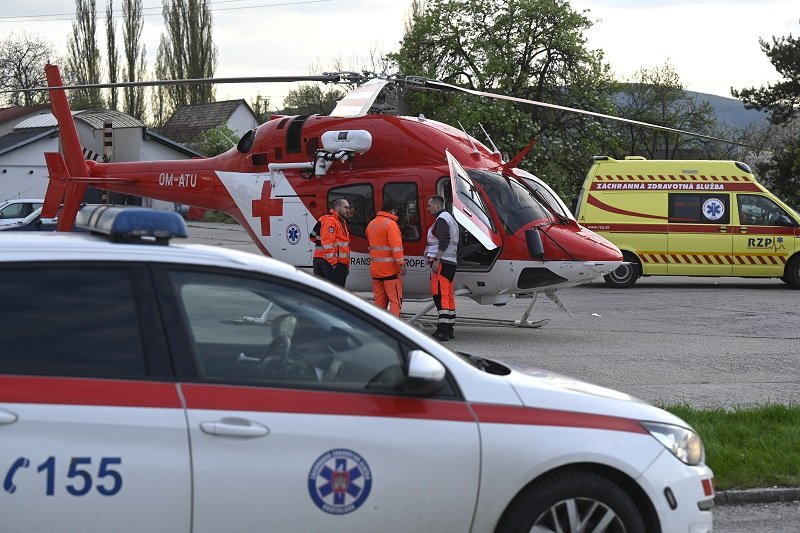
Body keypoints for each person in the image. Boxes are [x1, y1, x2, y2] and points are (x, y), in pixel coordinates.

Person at [425, 195, 458, 341]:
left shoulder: (442, 220)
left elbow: (444, 240)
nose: (428, 209)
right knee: (448, 296)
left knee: (440, 296)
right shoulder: (450, 219)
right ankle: (449, 328)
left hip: (442, 263)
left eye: (429, 206)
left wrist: (437, 259)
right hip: (450, 263)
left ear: (436, 206)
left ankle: (443, 330)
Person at [366, 199, 406, 317]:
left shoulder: (371, 224)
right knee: (395, 301)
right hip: (390, 272)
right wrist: (401, 264)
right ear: (393, 210)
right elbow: (396, 247)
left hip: (376, 272)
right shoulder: (391, 224)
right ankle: (393, 325)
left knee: (379, 303)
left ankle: (378, 325)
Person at [310, 198, 351, 287]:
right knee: (334, 291)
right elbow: (327, 243)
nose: (348, 210)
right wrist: (334, 263)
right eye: (345, 207)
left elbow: (312, 237)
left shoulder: (341, 222)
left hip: (333, 262)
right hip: (332, 263)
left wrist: (346, 265)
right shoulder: (331, 220)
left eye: (348, 208)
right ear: (337, 207)